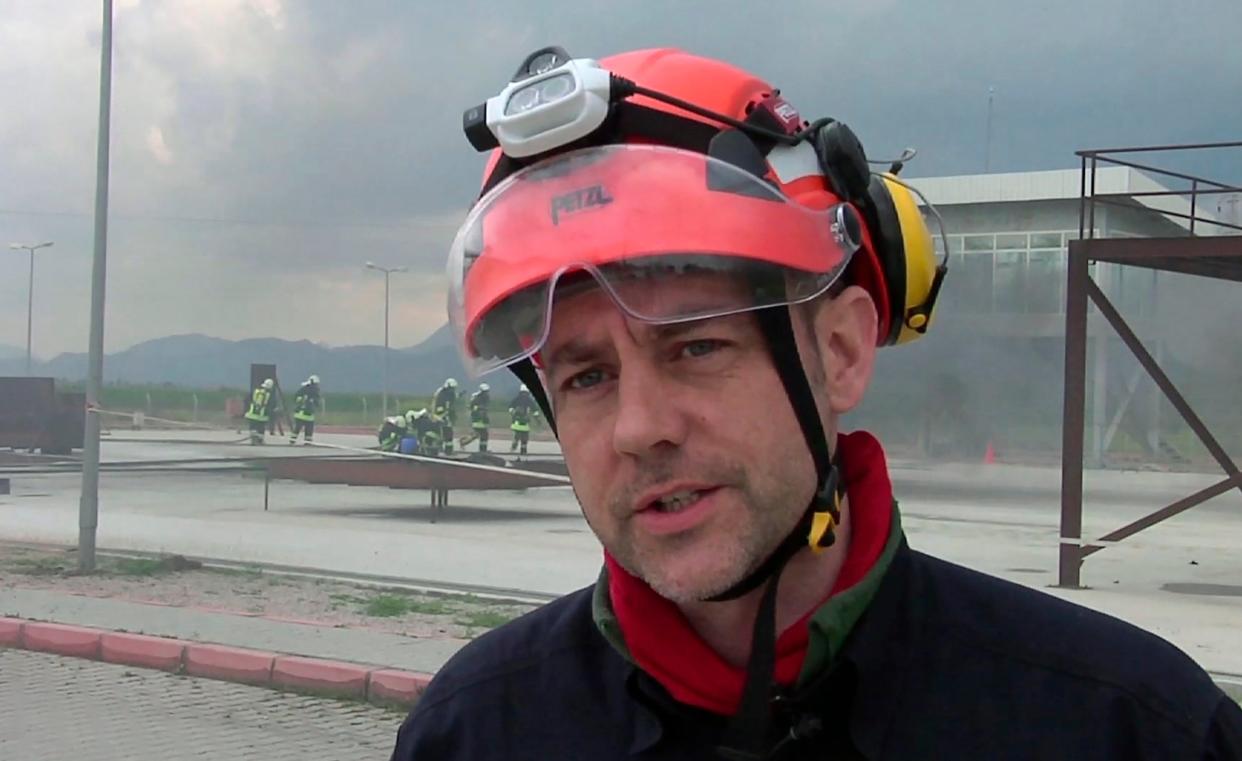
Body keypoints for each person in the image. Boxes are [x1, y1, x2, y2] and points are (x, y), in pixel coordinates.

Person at [391, 47, 1242, 760]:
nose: (641, 428)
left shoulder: (1127, 728)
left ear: (839, 352)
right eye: (585, 376)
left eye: (695, 346)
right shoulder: (474, 732)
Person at [507, 384, 539, 456]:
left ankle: (513, 447)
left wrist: (514, 414)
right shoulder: (529, 400)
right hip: (525, 423)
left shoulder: (516, 399)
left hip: (516, 422)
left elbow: (510, 408)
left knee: (517, 436)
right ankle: (523, 451)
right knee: (524, 438)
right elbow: (535, 411)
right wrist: (537, 420)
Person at [289, 374, 321, 445]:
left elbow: (295, 397)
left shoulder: (303, 389)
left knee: (297, 428)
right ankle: (307, 442)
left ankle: (292, 440)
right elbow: (317, 403)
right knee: (309, 429)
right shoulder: (314, 391)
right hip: (308, 415)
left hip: (299, 413)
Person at [432, 378, 460, 454]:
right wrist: (443, 415)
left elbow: (452, 402)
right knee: (446, 433)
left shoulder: (447, 393)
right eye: (452, 388)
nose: (453, 390)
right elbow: (440, 406)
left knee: (446, 433)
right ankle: (447, 450)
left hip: (444, 416)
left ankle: (444, 449)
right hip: (441, 416)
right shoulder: (442, 394)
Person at [243, 378, 274, 446]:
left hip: (252, 413)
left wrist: (246, 409)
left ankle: (253, 440)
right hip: (262, 415)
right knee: (261, 428)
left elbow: (247, 399)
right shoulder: (269, 395)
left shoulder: (255, 391)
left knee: (253, 427)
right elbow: (271, 405)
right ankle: (260, 440)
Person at [468, 383, 491, 453]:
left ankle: (483, 450)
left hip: (480, 420)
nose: (487, 393)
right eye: (485, 391)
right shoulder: (478, 399)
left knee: (481, 435)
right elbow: (475, 409)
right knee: (482, 435)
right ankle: (482, 450)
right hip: (478, 420)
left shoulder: (480, 398)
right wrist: (481, 411)